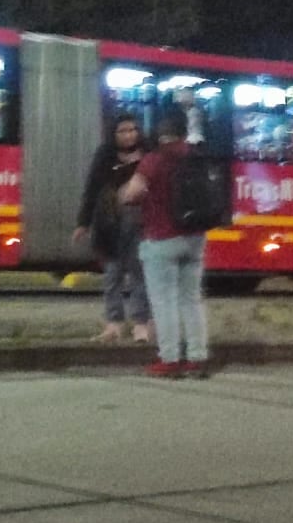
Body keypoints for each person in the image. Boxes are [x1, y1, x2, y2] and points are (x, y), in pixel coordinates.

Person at [119, 108, 210, 378]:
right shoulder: (196, 156)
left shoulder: (153, 160)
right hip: (194, 238)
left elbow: (132, 193)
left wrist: (124, 194)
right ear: (184, 131)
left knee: (164, 302)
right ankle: (197, 357)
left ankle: (169, 359)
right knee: (192, 300)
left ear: (159, 133)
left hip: (161, 239)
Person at [72, 115, 152, 343]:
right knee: (112, 276)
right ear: (113, 134)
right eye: (123, 131)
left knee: (139, 274)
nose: (129, 135)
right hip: (110, 225)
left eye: (133, 130)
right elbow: (91, 190)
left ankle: (140, 325)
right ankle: (114, 324)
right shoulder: (104, 156)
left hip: (139, 223)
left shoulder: (148, 155)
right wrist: (83, 223)